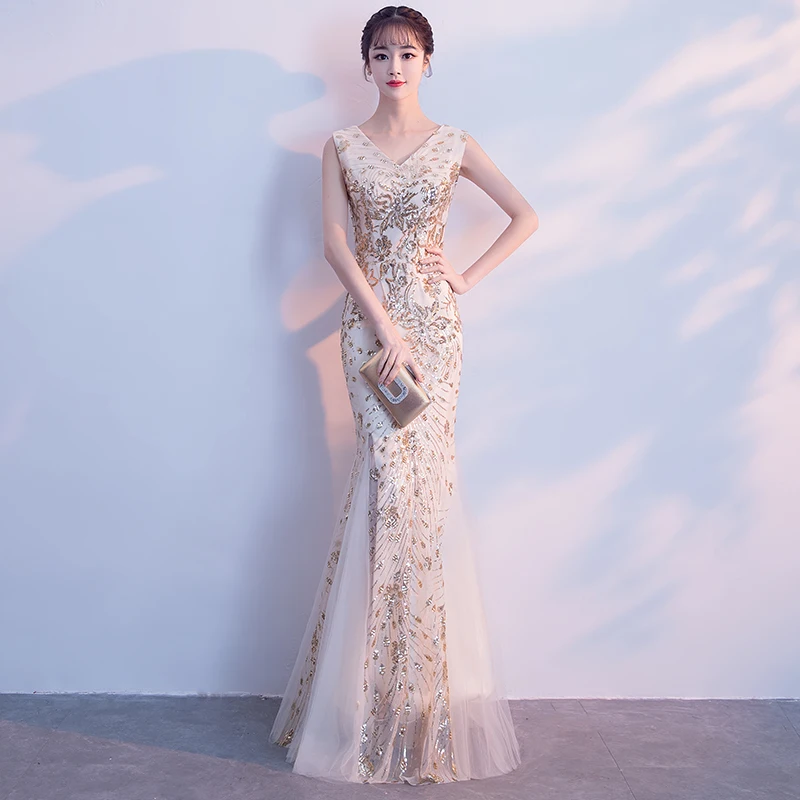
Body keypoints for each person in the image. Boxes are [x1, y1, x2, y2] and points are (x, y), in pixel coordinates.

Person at [269, 5, 539, 785]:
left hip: (436, 337)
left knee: (425, 497)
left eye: (409, 53)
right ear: (365, 64)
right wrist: (383, 324)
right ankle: (368, 702)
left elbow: (525, 216)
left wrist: (466, 278)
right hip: (373, 338)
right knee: (384, 489)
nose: (395, 66)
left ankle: (425, 706)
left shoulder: (454, 144)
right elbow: (334, 245)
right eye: (382, 53)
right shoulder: (341, 146)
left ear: (427, 63)